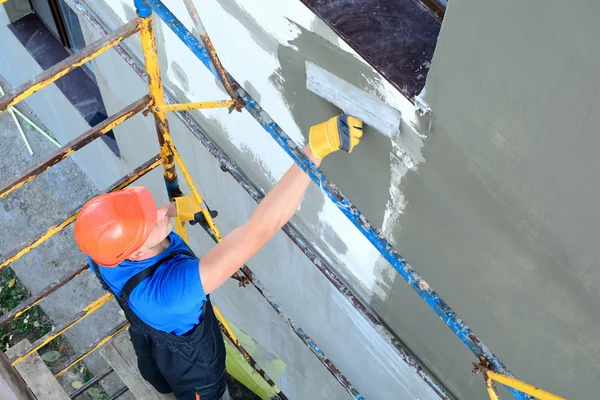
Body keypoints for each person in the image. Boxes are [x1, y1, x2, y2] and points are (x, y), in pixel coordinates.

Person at [73, 114, 363, 400]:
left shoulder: (102, 248)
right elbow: (261, 229)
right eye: (153, 221)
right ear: (135, 251)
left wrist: (175, 211)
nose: (163, 211)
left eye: (153, 206)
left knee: (157, 374)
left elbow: (144, 221)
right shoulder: (173, 293)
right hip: (197, 375)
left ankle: (162, 386)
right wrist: (313, 151)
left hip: (147, 336)